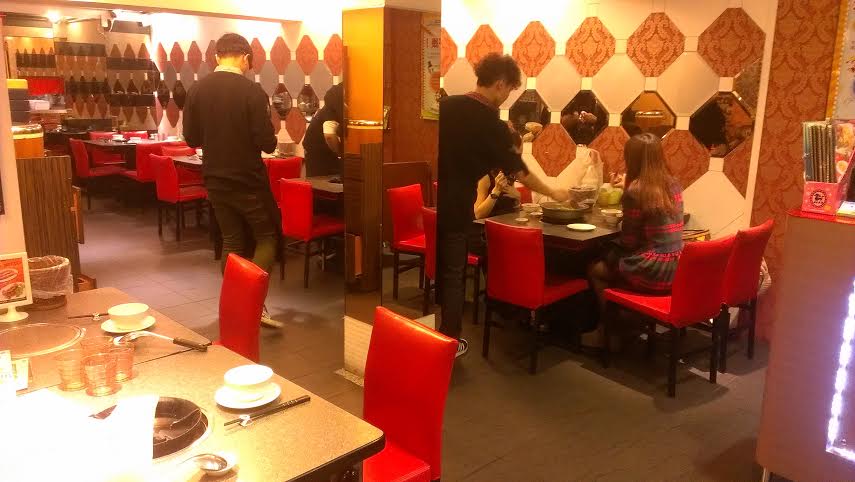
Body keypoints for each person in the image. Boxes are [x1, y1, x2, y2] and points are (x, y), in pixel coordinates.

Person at [437, 53, 569, 358]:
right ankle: (449, 342)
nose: (507, 95)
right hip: (458, 203)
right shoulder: (490, 123)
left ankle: (435, 337)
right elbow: (519, 171)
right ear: (500, 84)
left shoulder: (446, 105)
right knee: (455, 274)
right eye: (509, 89)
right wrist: (554, 192)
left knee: (443, 269)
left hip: (437, 199)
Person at [183, 33, 282, 328]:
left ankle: (235, 303)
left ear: (217, 57)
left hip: (214, 178)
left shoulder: (197, 90)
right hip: (248, 179)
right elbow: (266, 143)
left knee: (232, 239)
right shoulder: (252, 92)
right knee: (267, 237)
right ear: (245, 58)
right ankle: (251, 302)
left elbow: (191, 138)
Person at [588, 133, 684, 310]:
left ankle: (612, 322)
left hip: (653, 270)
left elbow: (628, 242)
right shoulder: (674, 184)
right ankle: (630, 318)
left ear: (631, 158)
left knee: (596, 269)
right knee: (610, 257)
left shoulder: (636, 190)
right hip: (678, 269)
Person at [303, 84, 344, 177]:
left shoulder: (332, 103)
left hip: (316, 151)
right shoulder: (334, 106)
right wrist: (340, 153)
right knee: (323, 183)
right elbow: (329, 136)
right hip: (320, 155)